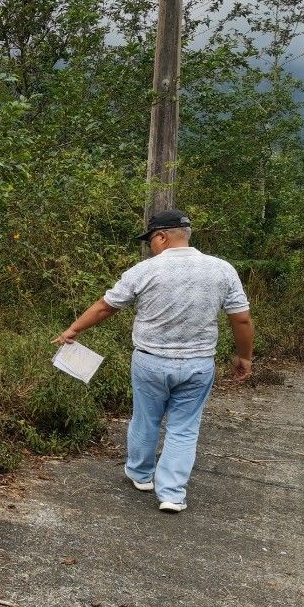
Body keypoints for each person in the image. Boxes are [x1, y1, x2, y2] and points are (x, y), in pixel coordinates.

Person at [52, 209, 254, 513]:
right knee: (184, 428)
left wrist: (74, 330)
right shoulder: (222, 270)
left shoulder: (144, 270)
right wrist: (244, 357)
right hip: (198, 364)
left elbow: (106, 307)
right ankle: (172, 493)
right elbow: (241, 320)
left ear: (161, 236)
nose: (150, 246)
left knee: (145, 417)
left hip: (150, 362)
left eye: (150, 240)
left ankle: (141, 474)